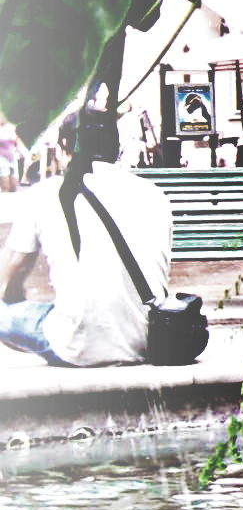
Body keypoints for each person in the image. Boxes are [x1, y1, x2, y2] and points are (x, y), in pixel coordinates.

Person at [0, 107, 173, 365]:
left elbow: (7, 275)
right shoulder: (154, 195)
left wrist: (13, 299)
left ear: (64, 147)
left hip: (77, 347)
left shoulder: (45, 193)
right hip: (148, 341)